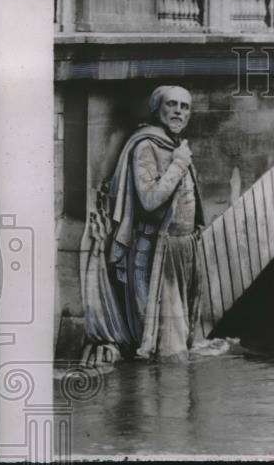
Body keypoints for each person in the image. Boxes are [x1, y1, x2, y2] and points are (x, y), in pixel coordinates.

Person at [86, 85, 205, 364]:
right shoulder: (146, 145)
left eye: (185, 106)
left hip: (184, 248)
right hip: (155, 252)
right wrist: (178, 165)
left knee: (181, 336)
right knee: (164, 344)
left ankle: (171, 393)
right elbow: (150, 200)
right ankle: (160, 397)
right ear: (158, 109)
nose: (178, 111)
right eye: (172, 104)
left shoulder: (176, 145)